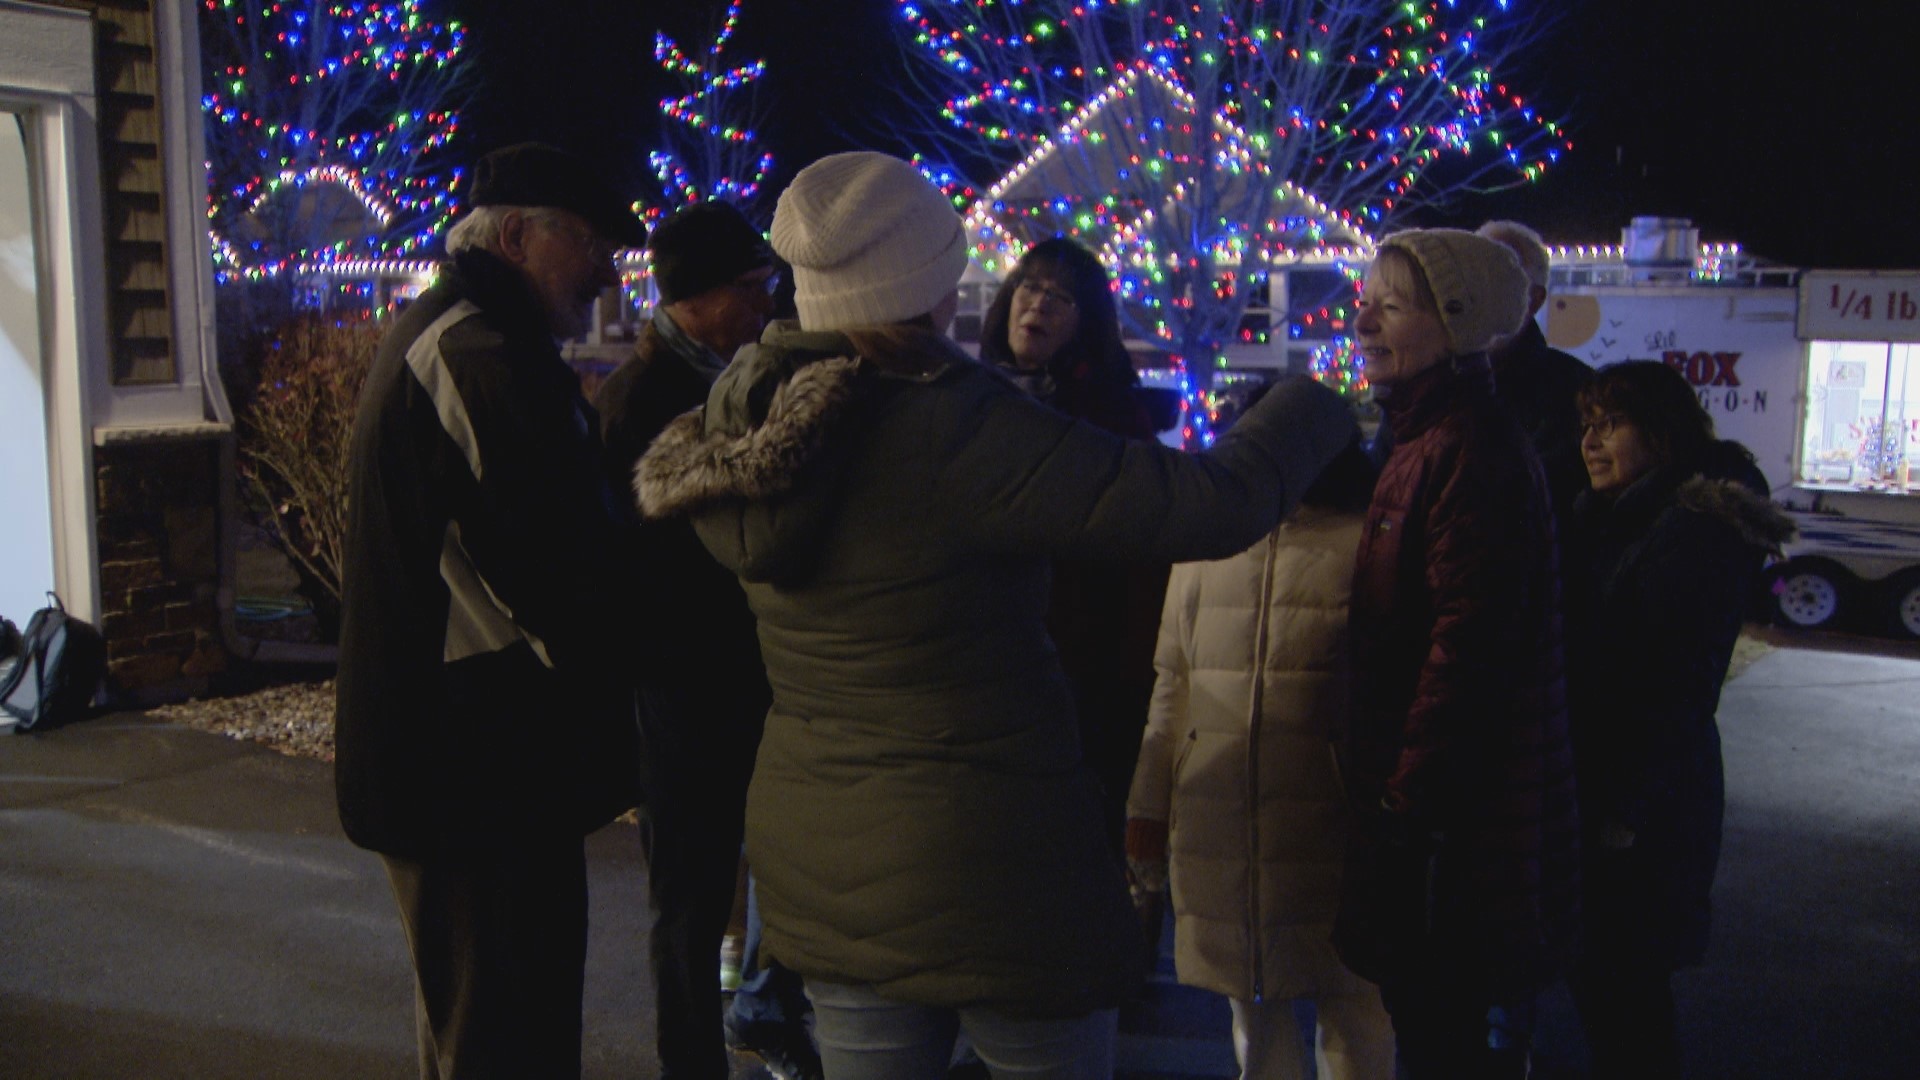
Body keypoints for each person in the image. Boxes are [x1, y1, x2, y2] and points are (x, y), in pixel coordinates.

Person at [632, 150, 1357, 1077]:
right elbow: (1205, 501)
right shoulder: (950, 423)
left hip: (825, 857)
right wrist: (1312, 400)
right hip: (1001, 866)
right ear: (925, 280)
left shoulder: (740, 410)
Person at [334, 142, 646, 1079]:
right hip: (473, 772)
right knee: (503, 1029)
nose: (607, 269)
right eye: (589, 243)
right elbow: (557, 574)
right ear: (516, 235)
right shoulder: (475, 356)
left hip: (471, 762)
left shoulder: (466, 339)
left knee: (479, 1019)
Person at [1333, 228, 1581, 1078]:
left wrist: (1406, 810)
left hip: (1453, 834)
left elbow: (1465, 653)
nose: (1363, 320)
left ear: (1459, 324)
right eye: (1365, 300)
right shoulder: (1425, 438)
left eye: (1391, 306)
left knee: (1442, 1037)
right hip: (1436, 820)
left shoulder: (1467, 450)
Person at [593, 201, 820, 1080]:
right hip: (684, 686)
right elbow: (634, 565)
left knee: (773, 867)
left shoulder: (721, 381)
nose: (767, 302)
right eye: (753, 286)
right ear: (700, 295)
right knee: (687, 897)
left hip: (738, 677)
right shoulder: (644, 400)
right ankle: (691, 1061)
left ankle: (762, 1017)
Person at [1124, 440, 1395, 1080]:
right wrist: (1147, 808)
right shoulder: (1205, 549)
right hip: (1221, 817)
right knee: (1253, 1005)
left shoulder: (1367, 546)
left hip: (1331, 820)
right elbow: (1172, 688)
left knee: (1353, 1007)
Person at [1561, 361, 1792, 1079]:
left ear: (1661, 432)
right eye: (1585, 427)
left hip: (1645, 805)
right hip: (1619, 787)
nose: (1592, 443)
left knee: (1626, 991)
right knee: (1609, 988)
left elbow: (1675, 687)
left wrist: (1626, 808)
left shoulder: (1690, 531)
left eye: (1612, 424)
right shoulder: (1619, 517)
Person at [977, 236, 1168, 863]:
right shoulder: (969, 398)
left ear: (1086, 321)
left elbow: (1140, 554)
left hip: (1082, 666)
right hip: (983, 661)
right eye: (1030, 288)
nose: (1038, 306)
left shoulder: (1110, 414)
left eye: (1060, 297)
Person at [1477, 219, 1596, 521]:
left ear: (1535, 299)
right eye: (1473, 276)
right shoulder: (1422, 385)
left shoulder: (1575, 394)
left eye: (1503, 279)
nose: (1482, 293)